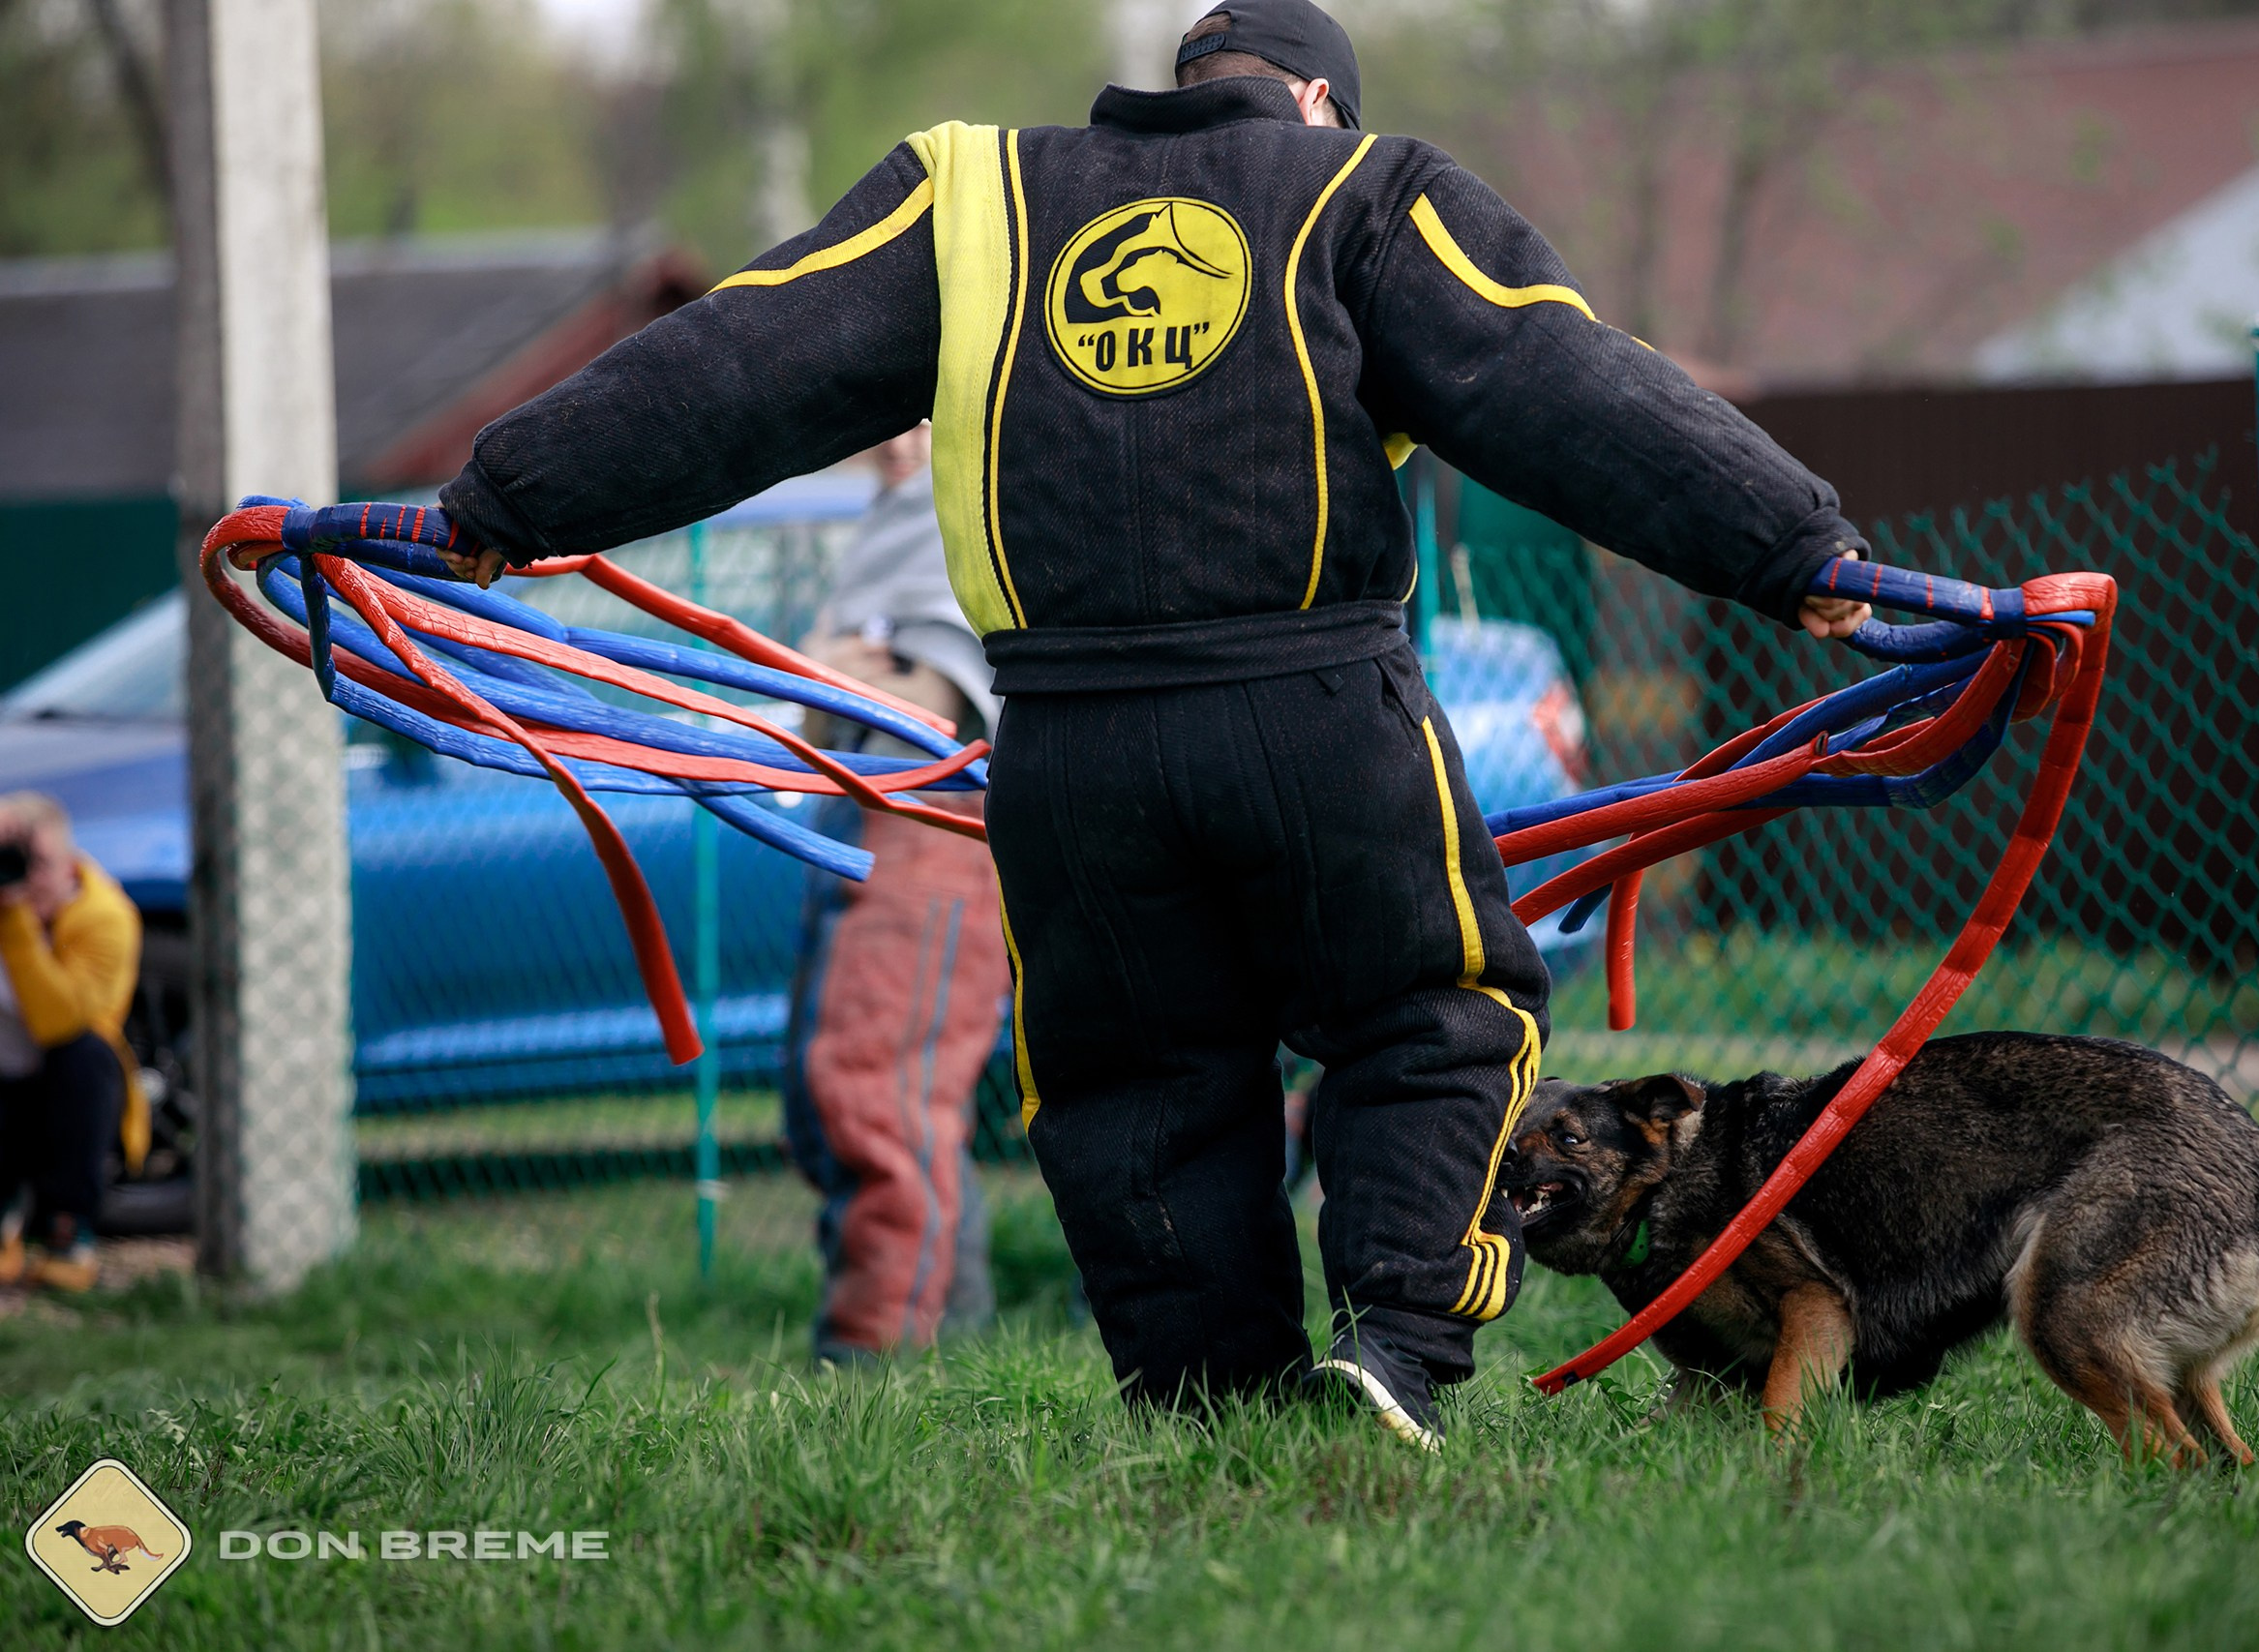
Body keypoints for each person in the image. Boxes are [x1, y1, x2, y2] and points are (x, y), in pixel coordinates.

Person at [363, 0, 1872, 1446]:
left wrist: (501, 506)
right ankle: (1399, 1345)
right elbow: (1565, 380)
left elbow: (744, 360)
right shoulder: (1368, 184)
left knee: (1132, 1075)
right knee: (1431, 1015)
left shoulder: (973, 195)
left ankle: (1210, 1401)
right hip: (1317, 703)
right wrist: (1796, 546)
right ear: (1317, 102)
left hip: (1070, 747)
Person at [781, 422, 1010, 1364]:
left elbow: (927, 695)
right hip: (868, 811)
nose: (891, 441)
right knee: (836, 1091)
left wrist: (828, 668)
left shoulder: (968, 493)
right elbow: (824, 689)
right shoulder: (901, 514)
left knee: (877, 1088)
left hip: (932, 819)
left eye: (918, 415)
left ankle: (876, 1356)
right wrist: (825, 672)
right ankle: (941, 1333)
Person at [0, 793, 147, 1294]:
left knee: (85, 1056)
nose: (25, 876)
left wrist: (15, 919)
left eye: (37, 863)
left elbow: (59, 1023)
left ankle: (69, 1231)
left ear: (70, 861)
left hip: (58, 1099)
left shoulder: (104, 916)